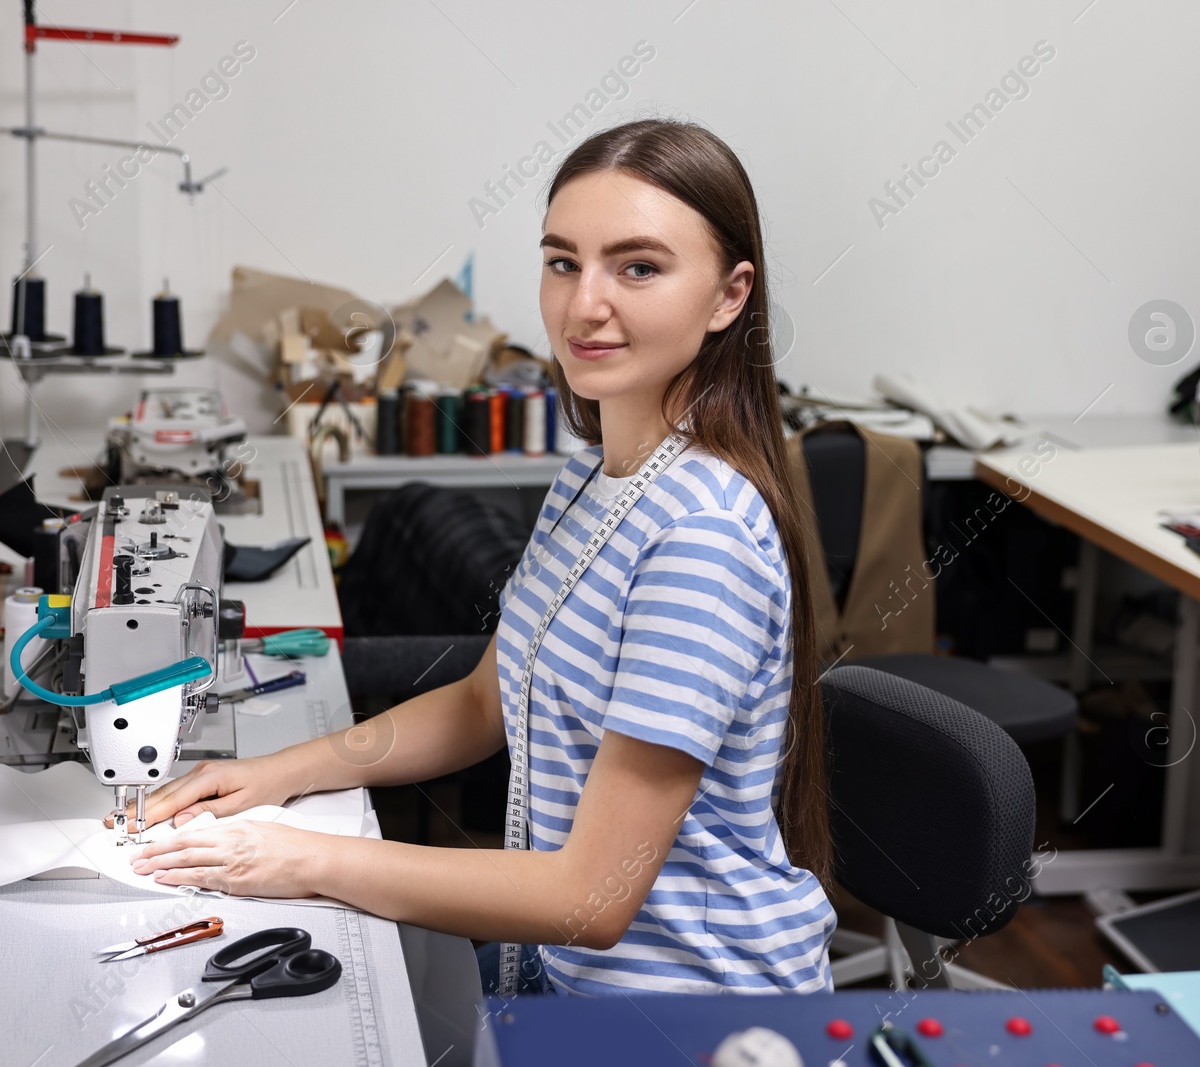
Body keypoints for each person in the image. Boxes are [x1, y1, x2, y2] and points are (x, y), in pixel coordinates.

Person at [121, 118, 837, 996]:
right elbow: (479, 703)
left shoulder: (702, 535)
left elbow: (590, 897)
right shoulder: (593, 473)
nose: (584, 305)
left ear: (730, 296)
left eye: (638, 267)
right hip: (565, 980)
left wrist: (301, 855)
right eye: (564, 261)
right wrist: (275, 773)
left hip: (688, 1013)